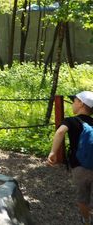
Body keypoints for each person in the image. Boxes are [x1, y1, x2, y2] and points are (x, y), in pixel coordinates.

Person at [48, 91, 93, 224]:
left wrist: (53, 152)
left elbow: (60, 132)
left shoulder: (71, 121)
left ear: (81, 104)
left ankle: (86, 220)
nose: (72, 104)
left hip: (80, 166)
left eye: (74, 101)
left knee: (82, 197)